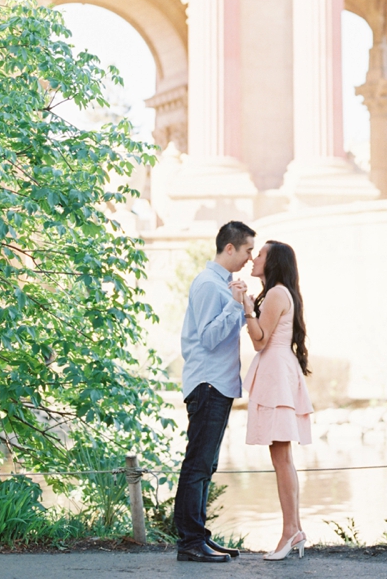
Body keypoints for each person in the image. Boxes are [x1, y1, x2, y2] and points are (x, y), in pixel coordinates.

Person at [173, 220, 256, 563]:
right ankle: (190, 543)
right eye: (248, 250)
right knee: (197, 464)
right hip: (208, 383)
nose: (251, 257)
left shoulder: (222, 285)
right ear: (230, 248)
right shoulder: (208, 284)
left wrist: (237, 302)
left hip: (217, 384)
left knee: (206, 464)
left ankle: (199, 538)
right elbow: (208, 338)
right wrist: (236, 306)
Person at [239, 240, 313, 561]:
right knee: (281, 457)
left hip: (277, 374)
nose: (254, 258)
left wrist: (245, 305)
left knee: (281, 458)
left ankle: (290, 532)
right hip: (278, 372)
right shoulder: (279, 293)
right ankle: (293, 529)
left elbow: (259, 340)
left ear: (272, 262)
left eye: (260, 254)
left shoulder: (276, 293)